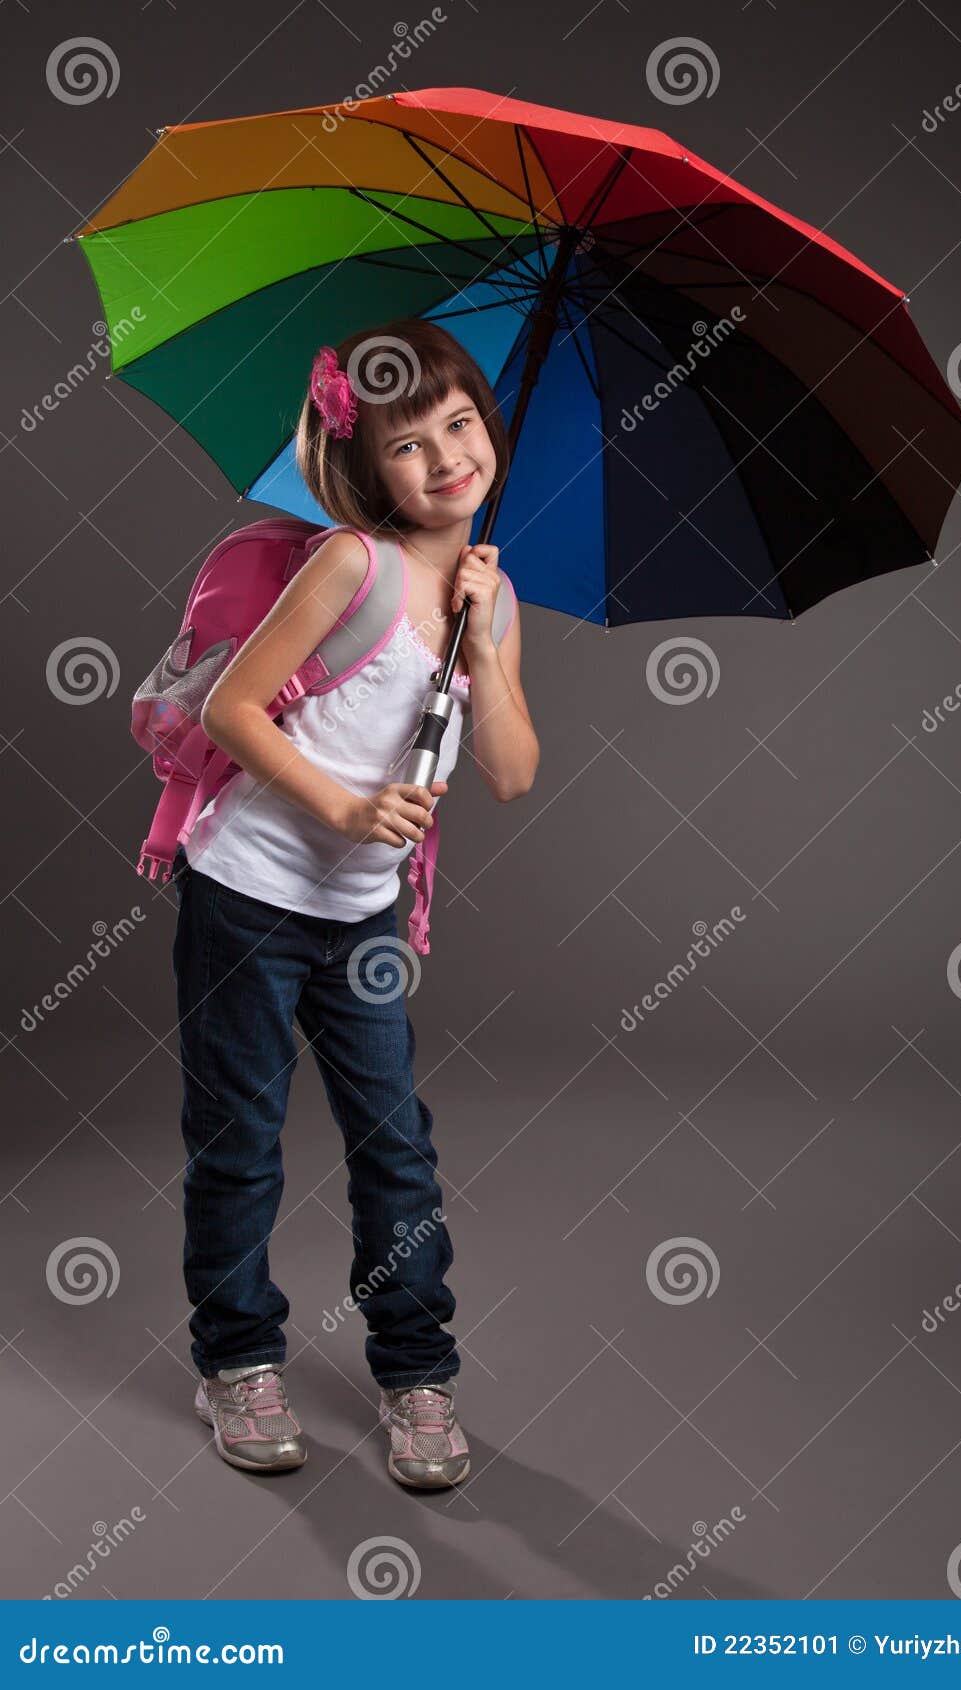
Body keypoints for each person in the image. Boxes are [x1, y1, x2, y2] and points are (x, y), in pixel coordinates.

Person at [170, 317, 539, 1485]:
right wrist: (337, 810)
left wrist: (483, 645)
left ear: (490, 429)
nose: (442, 461)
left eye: (459, 426)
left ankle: (416, 1373)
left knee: (396, 1149)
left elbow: (513, 769)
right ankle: (236, 1358)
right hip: (249, 895)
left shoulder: (494, 596)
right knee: (238, 1143)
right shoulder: (350, 564)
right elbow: (231, 709)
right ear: (362, 467)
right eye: (407, 445)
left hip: (364, 918)